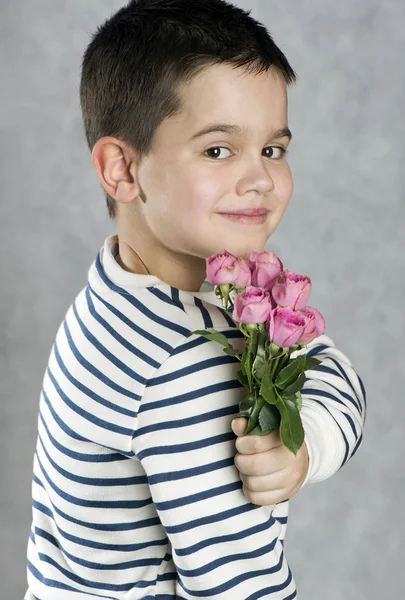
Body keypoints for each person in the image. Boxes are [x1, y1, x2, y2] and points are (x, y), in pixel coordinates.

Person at [25, 0, 366, 598]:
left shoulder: (120, 298)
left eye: (274, 149)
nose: (260, 178)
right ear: (122, 169)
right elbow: (239, 587)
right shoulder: (186, 366)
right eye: (217, 150)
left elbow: (327, 364)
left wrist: (302, 447)